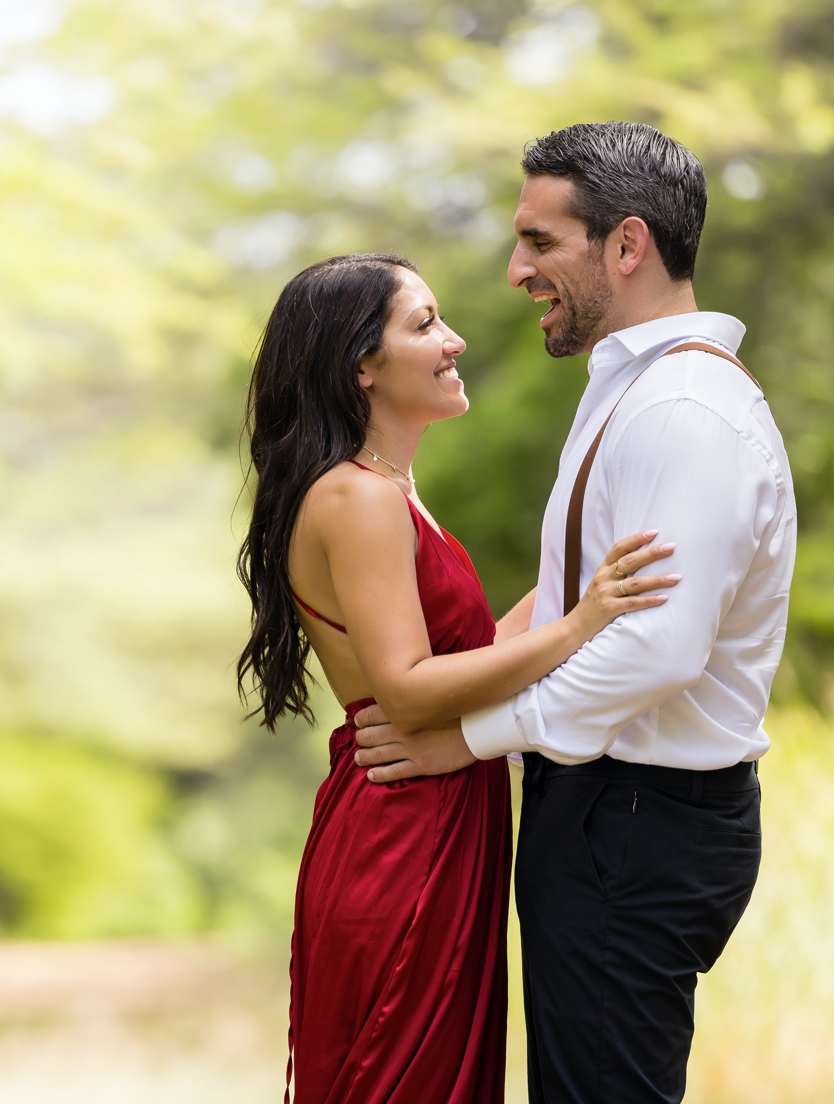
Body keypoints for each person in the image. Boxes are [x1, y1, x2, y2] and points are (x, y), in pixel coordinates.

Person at [350, 123, 793, 1104]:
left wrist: (466, 738)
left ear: (626, 246)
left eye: (542, 243)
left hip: (637, 820)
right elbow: (570, 604)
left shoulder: (685, 412)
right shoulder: (632, 390)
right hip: (606, 812)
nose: (516, 270)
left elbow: (659, 650)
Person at [237, 253, 683, 1103]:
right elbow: (406, 689)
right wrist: (582, 622)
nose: (456, 339)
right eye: (425, 324)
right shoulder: (359, 499)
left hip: (439, 819)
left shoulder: (390, 492)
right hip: (405, 830)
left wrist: (578, 587)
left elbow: (470, 648)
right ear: (361, 367)